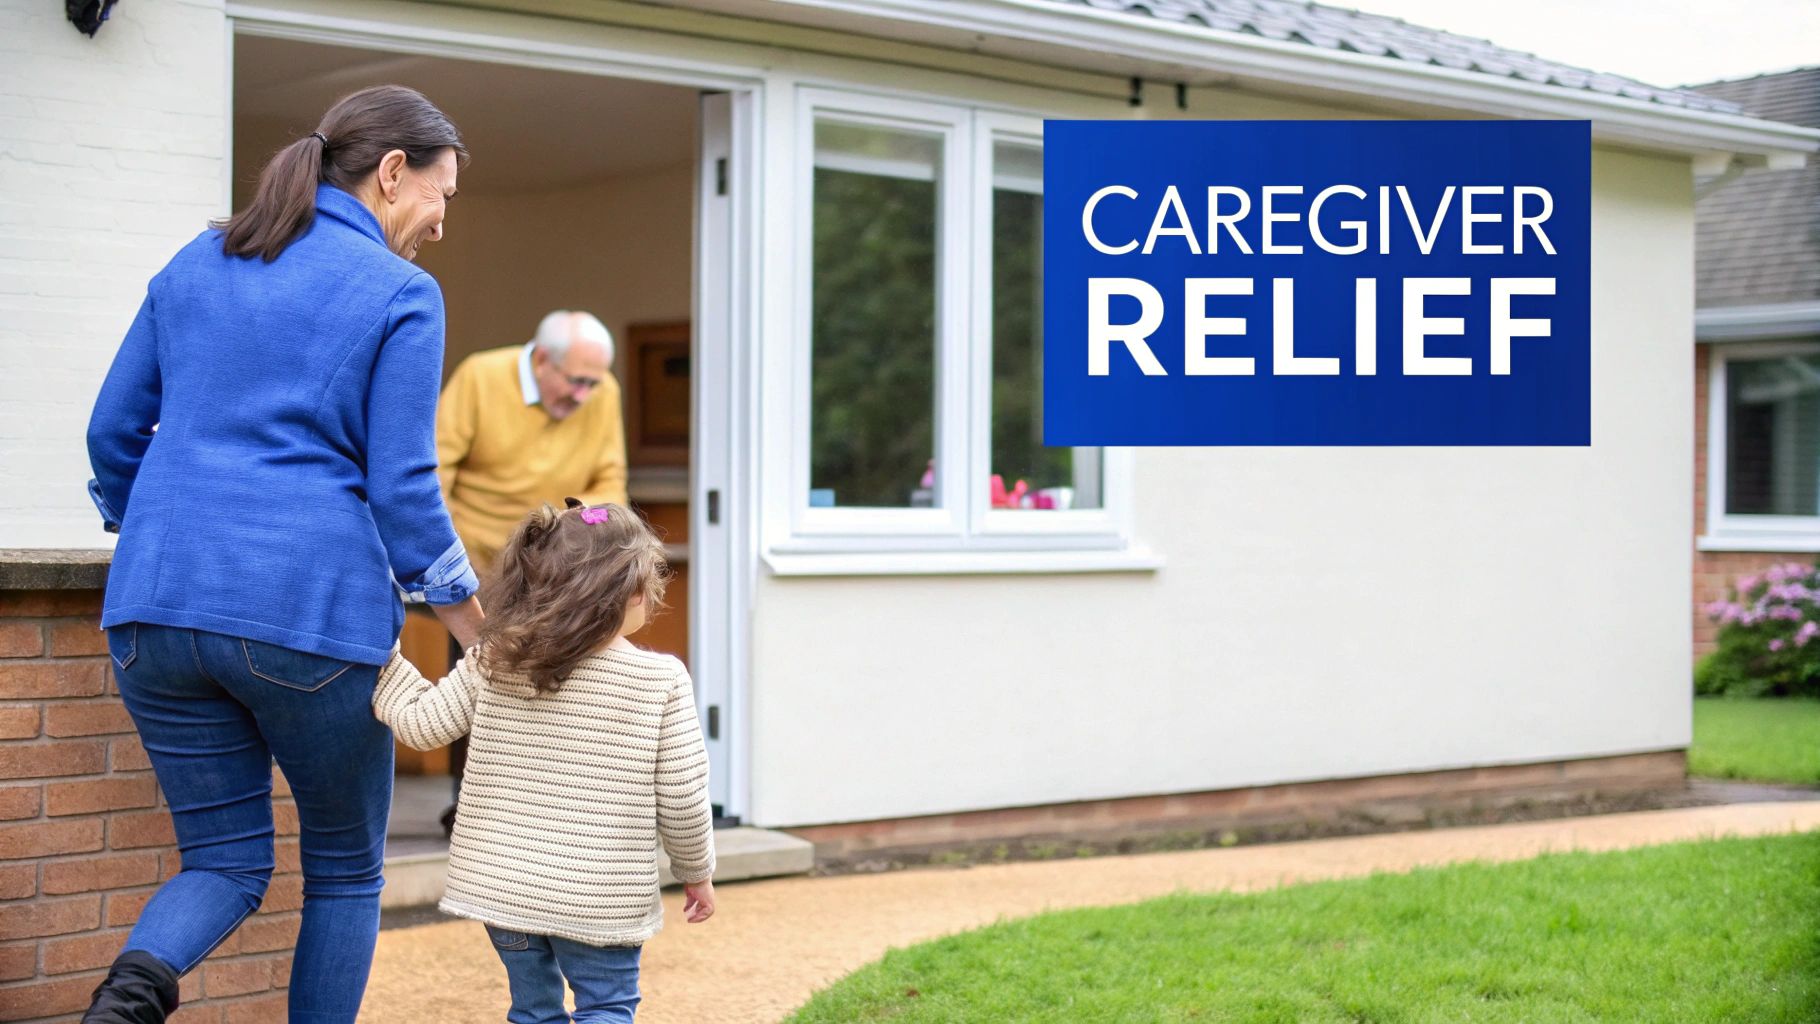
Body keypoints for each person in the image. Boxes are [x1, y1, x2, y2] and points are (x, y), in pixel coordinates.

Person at [81, 85, 482, 1023]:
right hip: (307, 620)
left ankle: (125, 1002)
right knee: (343, 871)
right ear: (393, 173)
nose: (441, 222)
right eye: (442, 194)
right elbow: (403, 487)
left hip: (151, 614)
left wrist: (166, 534)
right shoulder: (401, 293)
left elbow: (110, 433)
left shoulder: (196, 262)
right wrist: (477, 627)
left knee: (223, 860)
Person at [374, 499, 716, 1024]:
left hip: (504, 889)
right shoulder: (661, 681)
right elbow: (683, 796)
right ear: (629, 591)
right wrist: (696, 871)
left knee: (534, 1012)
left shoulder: (496, 659)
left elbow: (421, 724)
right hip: (599, 896)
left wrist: (381, 654)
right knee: (606, 1007)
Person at [432, 310, 630, 830]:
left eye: (593, 383)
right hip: (477, 557)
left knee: (567, 674)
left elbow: (609, 480)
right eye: (576, 381)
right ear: (542, 359)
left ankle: (552, 804)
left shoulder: (602, 391)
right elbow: (435, 469)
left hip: (556, 562)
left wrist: (583, 543)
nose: (585, 395)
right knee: (482, 674)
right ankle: (471, 805)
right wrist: (443, 556)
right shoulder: (481, 377)